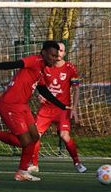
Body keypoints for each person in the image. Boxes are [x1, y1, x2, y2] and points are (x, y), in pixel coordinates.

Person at [0, 40, 69, 182]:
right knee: (25, 141)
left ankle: (22, 172)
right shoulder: (34, 60)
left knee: (34, 137)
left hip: (22, 106)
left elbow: (42, 89)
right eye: (52, 55)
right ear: (44, 53)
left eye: (57, 55)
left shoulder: (42, 68)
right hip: (9, 104)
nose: (56, 58)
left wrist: (61, 105)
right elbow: (14, 64)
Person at [30, 42, 87, 173]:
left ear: (64, 53)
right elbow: (37, 83)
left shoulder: (70, 68)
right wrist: (39, 95)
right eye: (57, 51)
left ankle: (77, 162)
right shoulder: (45, 67)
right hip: (46, 109)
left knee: (64, 135)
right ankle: (34, 164)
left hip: (63, 110)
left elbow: (76, 89)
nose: (59, 54)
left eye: (62, 51)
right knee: (34, 136)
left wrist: (74, 109)